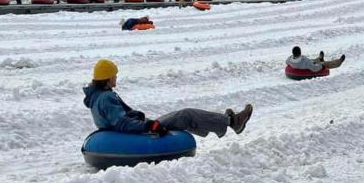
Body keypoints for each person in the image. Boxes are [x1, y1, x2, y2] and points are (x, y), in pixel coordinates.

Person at [84, 60, 253, 137]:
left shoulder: (97, 96)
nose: (116, 78)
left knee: (181, 116)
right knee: (186, 115)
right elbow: (122, 123)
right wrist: (150, 125)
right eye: (114, 75)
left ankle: (220, 121)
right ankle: (232, 122)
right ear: (107, 78)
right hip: (137, 133)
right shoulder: (106, 98)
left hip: (133, 129)